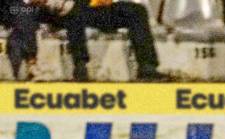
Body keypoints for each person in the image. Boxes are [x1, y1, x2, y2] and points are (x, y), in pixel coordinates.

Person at [4, 0, 165, 81]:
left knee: (136, 11)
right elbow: (19, 7)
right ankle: (80, 65)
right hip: (37, 8)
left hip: (87, 8)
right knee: (73, 12)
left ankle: (147, 66)